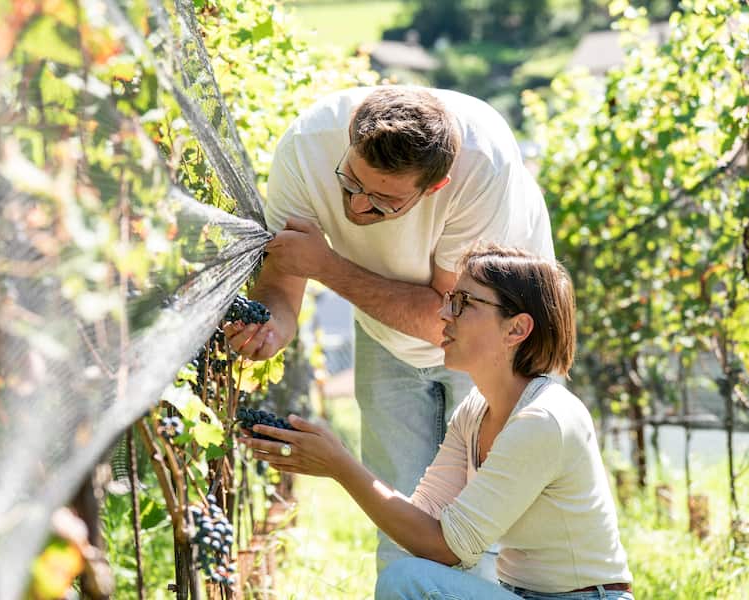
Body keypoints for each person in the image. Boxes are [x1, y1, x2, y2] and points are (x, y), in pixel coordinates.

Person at [225, 85, 554, 572]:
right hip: (385, 334)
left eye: (383, 202)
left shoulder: (483, 165)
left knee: (490, 530)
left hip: (497, 340)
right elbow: (283, 280)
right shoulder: (306, 147)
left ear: (435, 187)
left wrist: (329, 265)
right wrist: (271, 329)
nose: (358, 209)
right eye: (351, 183)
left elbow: (449, 317)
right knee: (399, 513)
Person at [239, 243, 634, 600]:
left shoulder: (543, 419)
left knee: (407, 581)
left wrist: (341, 465)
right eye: (450, 299)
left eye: (463, 303)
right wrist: (331, 461)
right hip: (521, 595)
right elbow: (426, 518)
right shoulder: (477, 411)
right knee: (410, 576)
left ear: (516, 329)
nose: (444, 313)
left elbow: (447, 548)